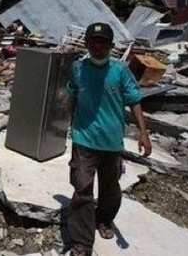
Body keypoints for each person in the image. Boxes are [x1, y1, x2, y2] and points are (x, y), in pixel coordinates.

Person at [66, 22, 152, 256]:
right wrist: (69, 126)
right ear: (86, 44)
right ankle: (82, 243)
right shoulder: (77, 68)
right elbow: (72, 94)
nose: (97, 47)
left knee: (110, 188)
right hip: (84, 138)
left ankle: (104, 220)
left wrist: (143, 133)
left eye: (103, 43)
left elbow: (134, 100)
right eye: (93, 42)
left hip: (111, 141)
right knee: (82, 188)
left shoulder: (120, 70)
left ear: (111, 46)